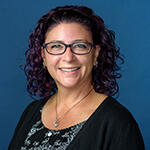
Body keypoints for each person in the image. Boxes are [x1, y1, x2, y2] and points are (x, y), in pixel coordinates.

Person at [8, 5, 145, 150]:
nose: (68, 57)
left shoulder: (118, 122)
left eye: (80, 46)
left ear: (95, 54)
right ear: (43, 56)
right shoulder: (32, 111)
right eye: (56, 46)